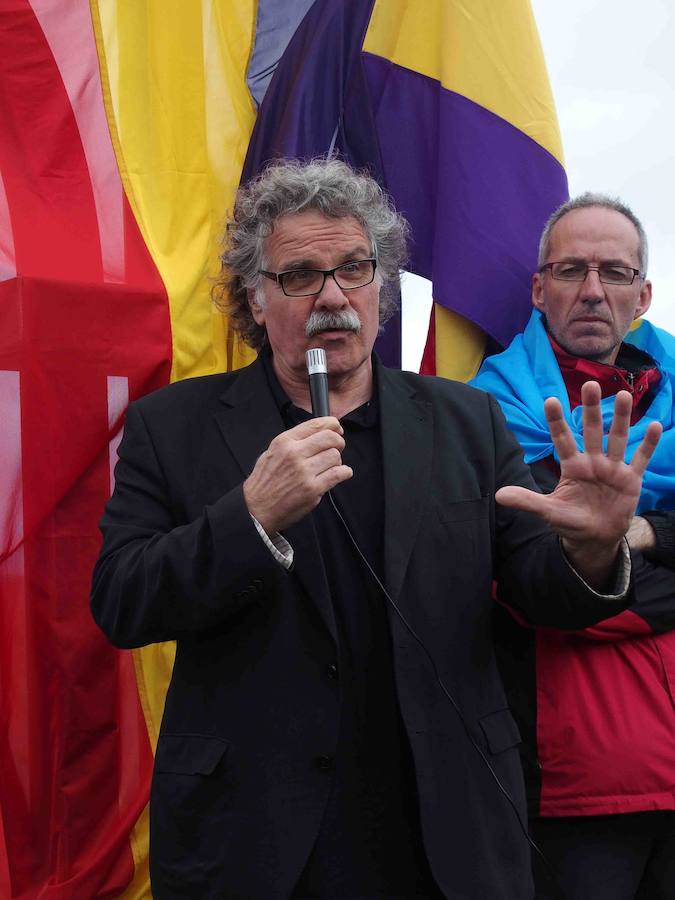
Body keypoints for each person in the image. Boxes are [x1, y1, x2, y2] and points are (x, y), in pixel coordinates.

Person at [91, 162, 660, 900]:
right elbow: (122, 602)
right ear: (256, 300)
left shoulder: (466, 420)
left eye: (354, 269)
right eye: (299, 275)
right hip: (254, 834)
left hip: (444, 827)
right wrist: (250, 516)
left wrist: (591, 545)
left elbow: (536, 590)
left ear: (380, 288)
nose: (332, 295)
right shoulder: (173, 425)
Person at [472, 193, 675, 899]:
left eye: (614, 273)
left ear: (642, 293)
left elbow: (592, 573)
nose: (592, 290)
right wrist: (607, 573)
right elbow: (531, 594)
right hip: (575, 789)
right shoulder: (485, 417)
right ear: (537, 289)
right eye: (570, 270)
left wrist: (642, 535)